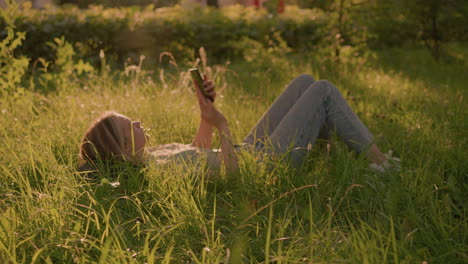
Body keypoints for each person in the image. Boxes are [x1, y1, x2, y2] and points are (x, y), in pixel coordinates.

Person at [78, 74, 399, 174]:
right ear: (122, 148)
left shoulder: (152, 158)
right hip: (263, 165)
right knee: (323, 92)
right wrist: (223, 125)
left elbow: (198, 152)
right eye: (127, 126)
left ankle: (332, 155)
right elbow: (232, 174)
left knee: (305, 83)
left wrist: (205, 115)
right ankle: (382, 165)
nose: (136, 122)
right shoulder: (159, 172)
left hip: (249, 152)